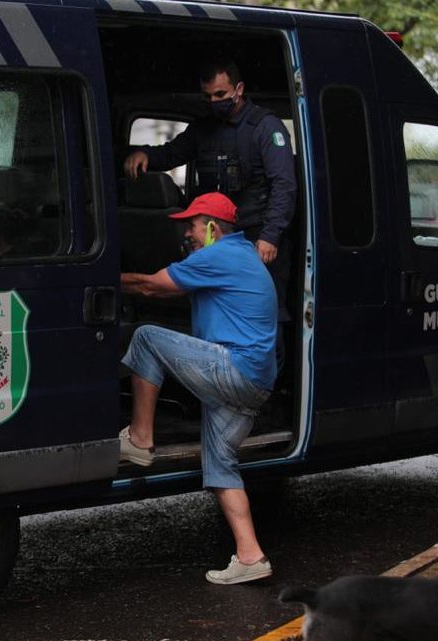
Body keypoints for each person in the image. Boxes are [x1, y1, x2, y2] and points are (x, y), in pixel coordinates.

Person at [119, 191, 276, 584]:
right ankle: (251, 555)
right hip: (255, 383)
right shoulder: (240, 256)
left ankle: (140, 439)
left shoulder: (220, 254)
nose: (186, 234)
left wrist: (96, 276)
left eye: (190, 225)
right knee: (220, 463)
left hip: (233, 368)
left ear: (211, 227)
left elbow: (152, 287)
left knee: (146, 338)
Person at [123, 60, 296, 380]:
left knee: (263, 316)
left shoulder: (265, 129)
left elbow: (284, 185)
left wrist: (270, 235)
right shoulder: (203, 128)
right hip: (216, 238)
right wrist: (146, 154)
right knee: (213, 308)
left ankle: (266, 397)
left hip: (256, 239)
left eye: (221, 94)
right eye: (209, 97)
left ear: (239, 90)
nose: (215, 102)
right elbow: (173, 153)